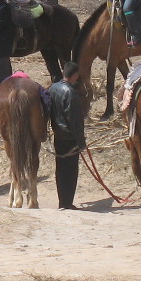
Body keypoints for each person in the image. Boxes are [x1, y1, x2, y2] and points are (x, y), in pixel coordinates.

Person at [48, 62, 86, 210]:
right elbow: (75, 120)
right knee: (70, 170)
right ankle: (67, 202)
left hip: (58, 135)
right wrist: (81, 142)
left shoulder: (53, 88)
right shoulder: (71, 93)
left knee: (60, 169)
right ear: (75, 75)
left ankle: (61, 201)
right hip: (70, 138)